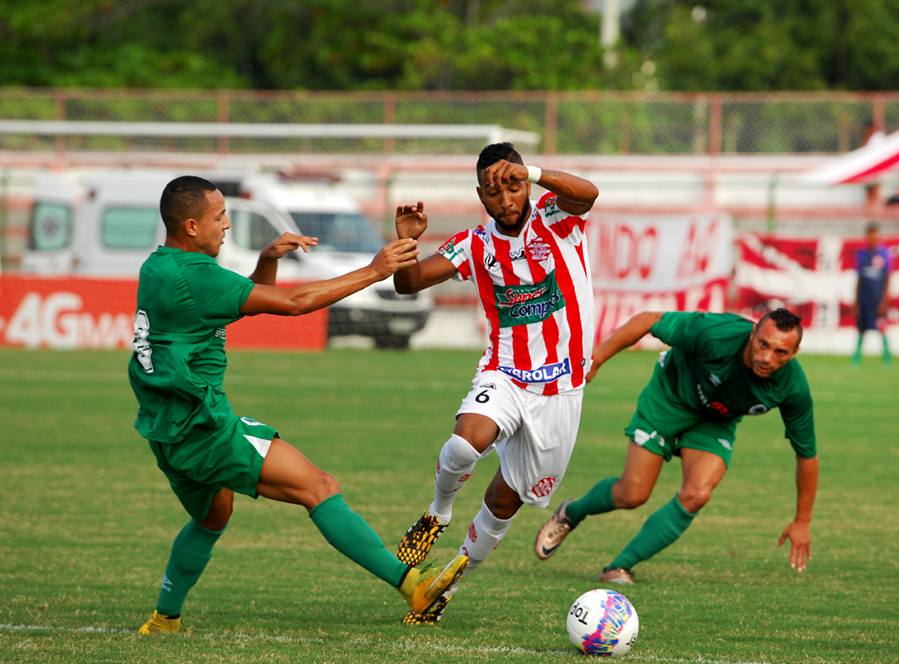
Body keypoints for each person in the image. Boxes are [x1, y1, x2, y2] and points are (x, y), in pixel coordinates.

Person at [130, 176, 467, 634]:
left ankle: (164, 619)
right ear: (190, 226)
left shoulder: (159, 267)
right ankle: (414, 587)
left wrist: (266, 260)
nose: (227, 224)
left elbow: (245, 303)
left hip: (165, 430)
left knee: (213, 516)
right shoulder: (196, 276)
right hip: (204, 428)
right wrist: (374, 271)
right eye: (219, 216)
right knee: (319, 487)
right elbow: (293, 302)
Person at [391, 142, 599, 624]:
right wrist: (405, 244)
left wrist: (538, 170)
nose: (504, 198)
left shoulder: (556, 217)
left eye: (512, 185)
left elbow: (588, 193)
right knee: (465, 446)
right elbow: (410, 283)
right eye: (492, 191)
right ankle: (437, 513)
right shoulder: (474, 243)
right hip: (504, 371)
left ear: (525, 183)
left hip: (562, 390)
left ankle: (448, 585)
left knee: (505, 502)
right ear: (480, 197)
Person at [535, 309, 819, 584]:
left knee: (698, 493)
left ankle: (619, 567)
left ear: (794, 354)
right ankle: (572, 513)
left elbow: (806, 455)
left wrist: (802, 520)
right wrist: (597, 358)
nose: (767, 357)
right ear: (753, 334)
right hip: (669, 396)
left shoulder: (793, 387)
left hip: (714, 420)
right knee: (632, 494)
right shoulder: (716, 333)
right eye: (763, 344)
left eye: (780, 352)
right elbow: (649, 320)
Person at [851, 221, 892, 365]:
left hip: (877, 297)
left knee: (881, 326)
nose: (872, 237)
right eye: (870, 234)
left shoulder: (884, 254)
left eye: (875, 233)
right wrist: (856, 301)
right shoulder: (861, 254)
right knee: (861, 327)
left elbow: (887, 278)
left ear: (878, 235)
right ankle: (857, 356)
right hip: (864, 297)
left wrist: (884, 299)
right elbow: (858, 278)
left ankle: (887, 356)